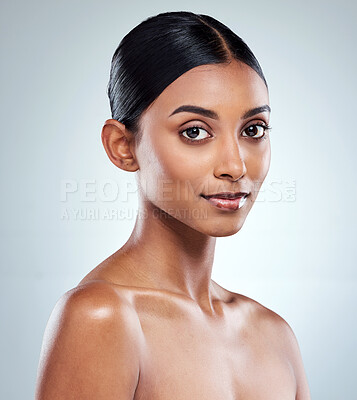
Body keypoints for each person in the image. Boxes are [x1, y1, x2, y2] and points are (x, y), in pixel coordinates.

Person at [35, 10, 311, 399]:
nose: (235, 166)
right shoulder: (102, 317)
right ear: (122, 146)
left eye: (253, 130)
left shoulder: (275, 335)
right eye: (195, 131)